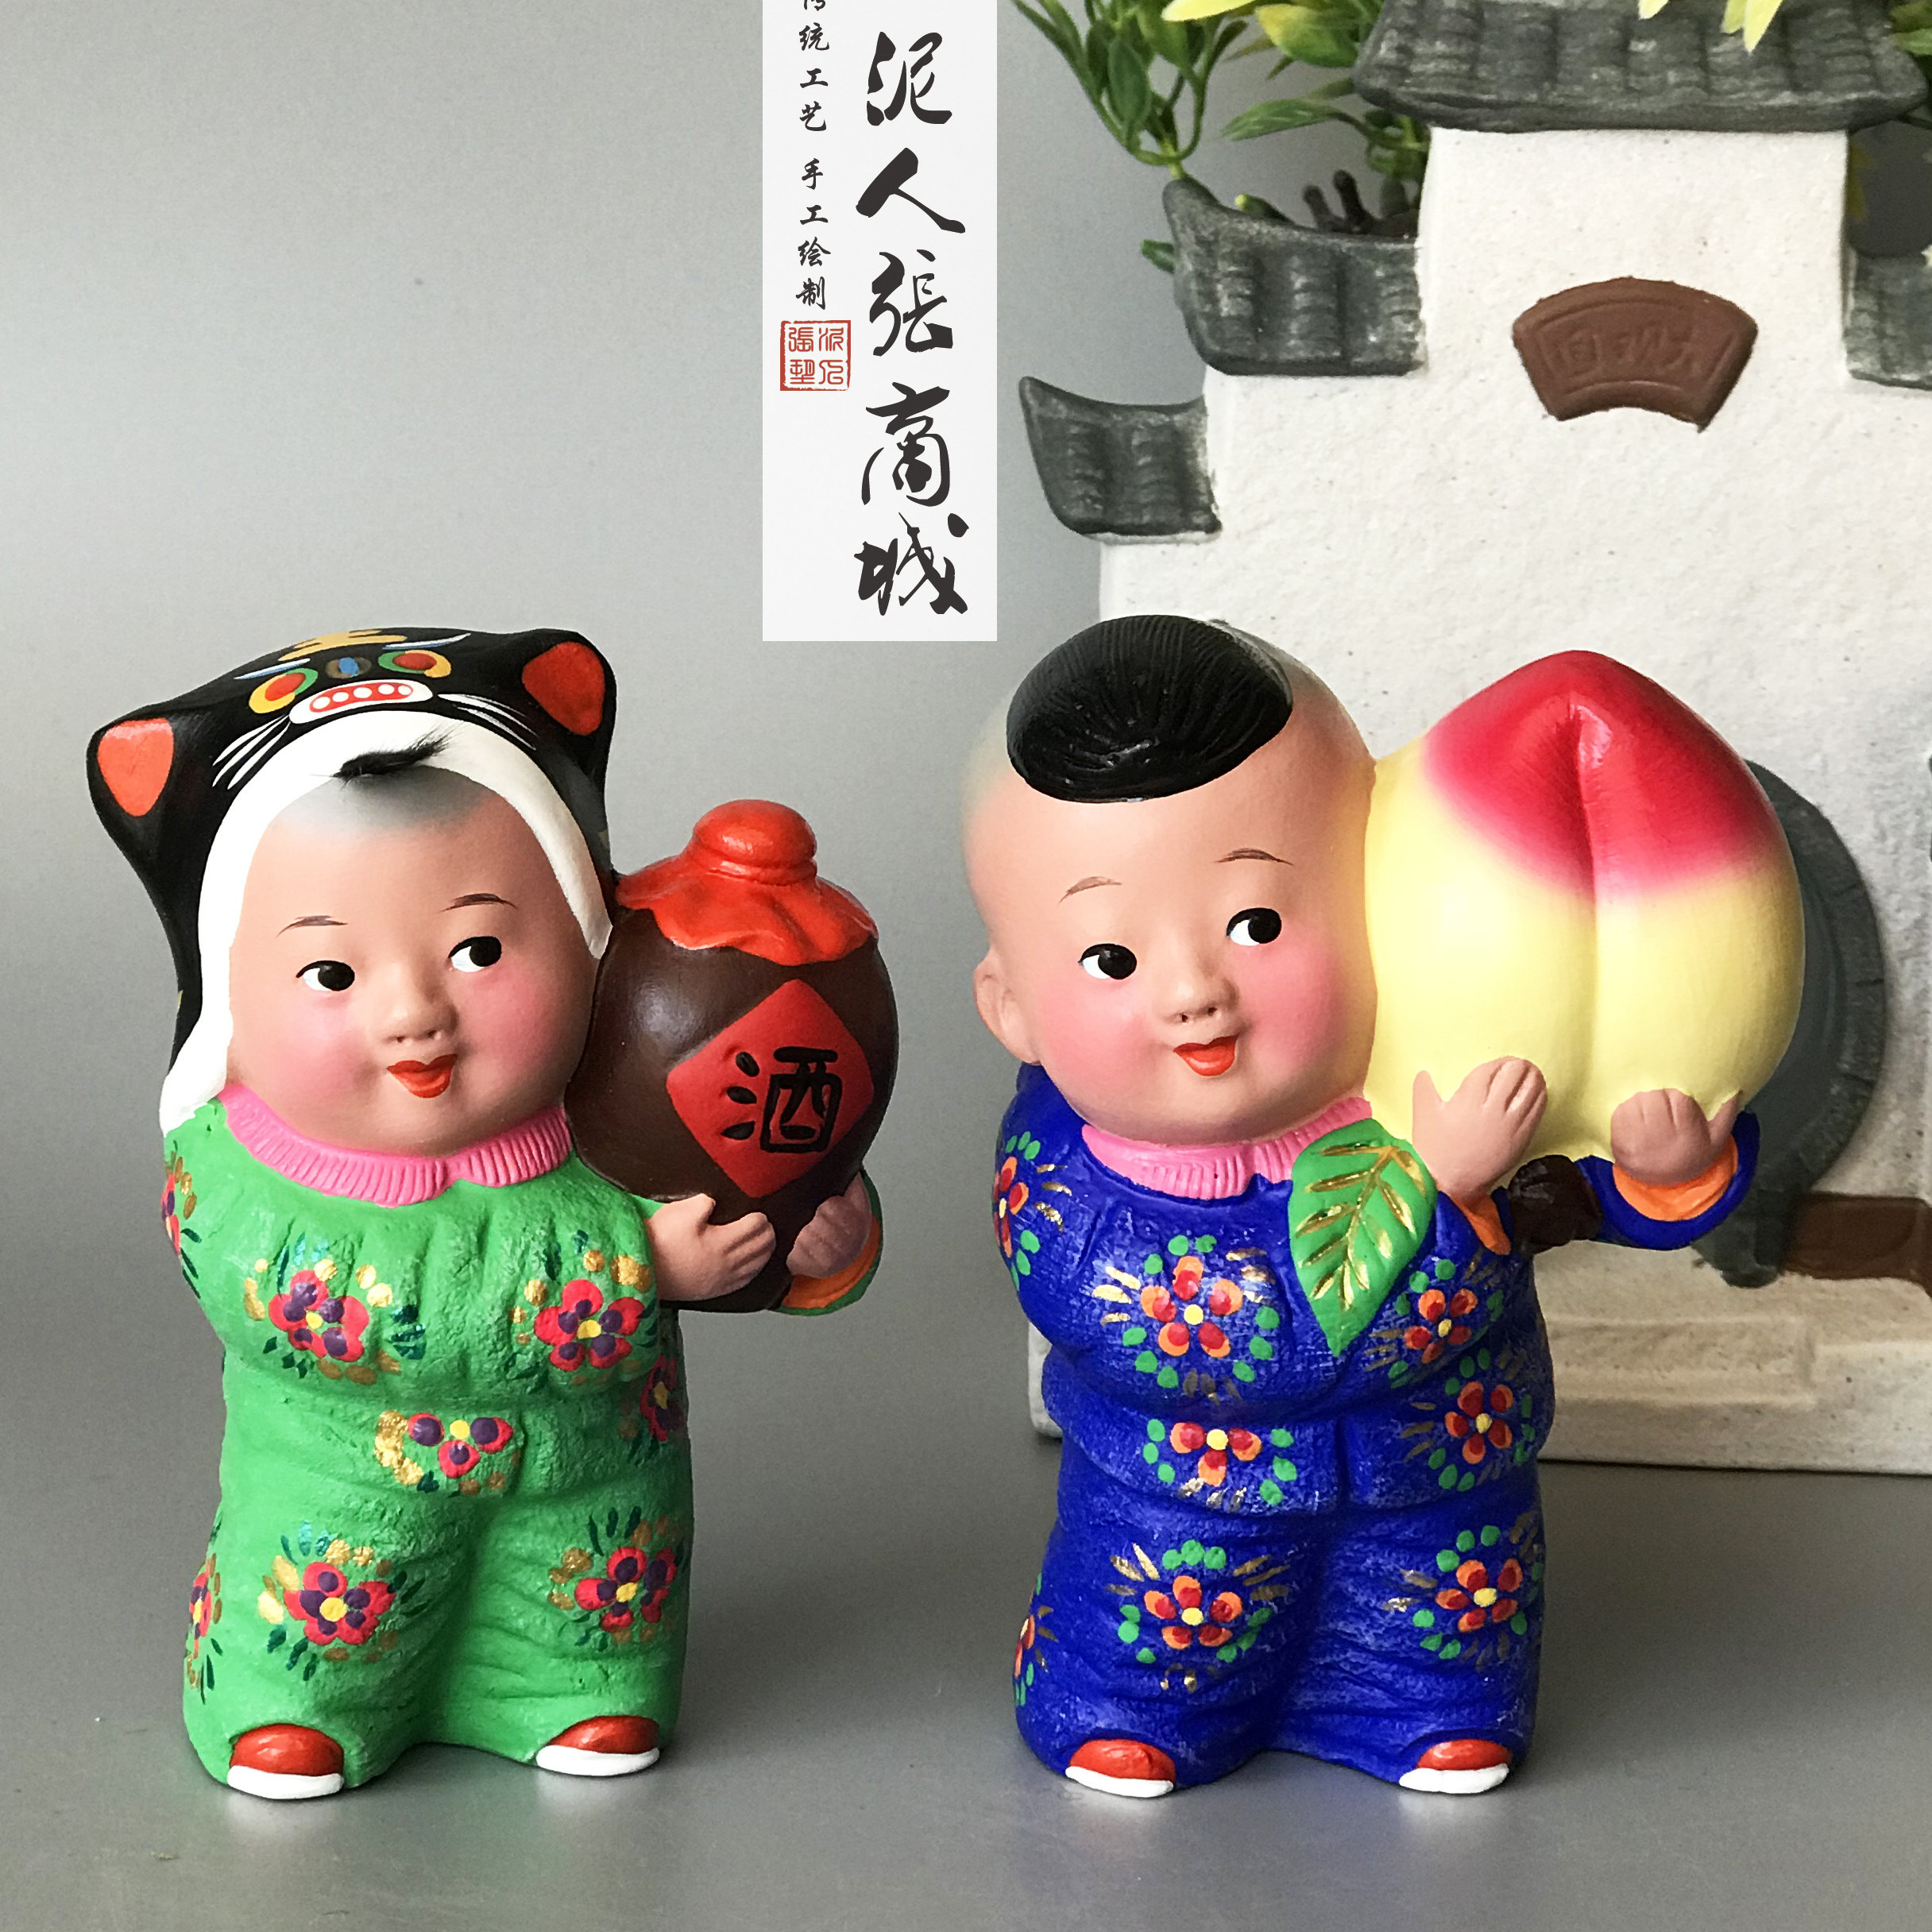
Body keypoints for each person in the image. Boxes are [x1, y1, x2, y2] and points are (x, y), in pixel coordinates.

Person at [965, 615, 1752, 1799]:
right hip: (1187, 1490)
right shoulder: (1063, 1179)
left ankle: (1427, 1711)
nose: (1195, 994)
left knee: (1440, 1618)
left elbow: (1575, 1182)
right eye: (1112, 961)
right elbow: (1212, 1340)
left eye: (1259, 924)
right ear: (1010, 1004)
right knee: (1163, 1627)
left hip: (1439, 1464)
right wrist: (1445, 1194)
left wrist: (1661, 1166)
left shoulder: (1430, 1064)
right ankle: (1133, 1710)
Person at [92, 628, 878, 1799]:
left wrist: (811, 1230)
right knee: (332, 1600)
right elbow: (330, 1310)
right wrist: (637, 1269)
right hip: (347, 1478)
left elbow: (730, 1184)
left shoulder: (615, 1100)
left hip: (595, 1468)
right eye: (332, 975)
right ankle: (292, 1704)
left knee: (587, 1595)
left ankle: (572, 1691)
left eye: (479, 947)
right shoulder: (234, 1171)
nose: (415, 1013)